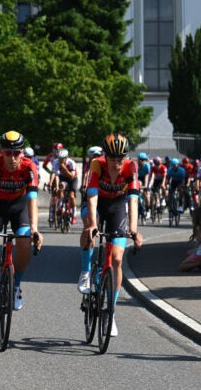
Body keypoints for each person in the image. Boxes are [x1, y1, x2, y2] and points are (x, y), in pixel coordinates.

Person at [78, 133, 143, 337]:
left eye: (120, 159)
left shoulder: (131, 167)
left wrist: (134, 229)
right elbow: (92, 196)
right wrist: (94, 225)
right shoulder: (97, 165)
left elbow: (132, 200)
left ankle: (111, 312)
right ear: (106, 156)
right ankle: (85, 271)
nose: (116, 163)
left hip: (117, 207)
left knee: (116, 259)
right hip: (96, 204)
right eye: (112, 159)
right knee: (89, 224)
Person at [0, 131, 43, 317]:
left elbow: (32, 199)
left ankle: (15, 286)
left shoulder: (29, 167)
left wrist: (34, 228)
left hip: (19, 208)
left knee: (24, 242)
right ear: (2, 151)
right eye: (9, 153)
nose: (13, 157)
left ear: (22, 152)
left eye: (17, 153)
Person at [48, 148, 79, 224]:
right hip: (63, 178)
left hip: (72, 178)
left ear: (66, 157)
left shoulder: (71, 163)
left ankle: (74, 214)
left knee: (71, 196)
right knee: (60, 188)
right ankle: (60, 207)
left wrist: (64, 168)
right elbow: (55, 174)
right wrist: (51, 182)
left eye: (62, 159)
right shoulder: (56, 162)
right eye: (59, 158)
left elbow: (71, 176)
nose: (60, 160)